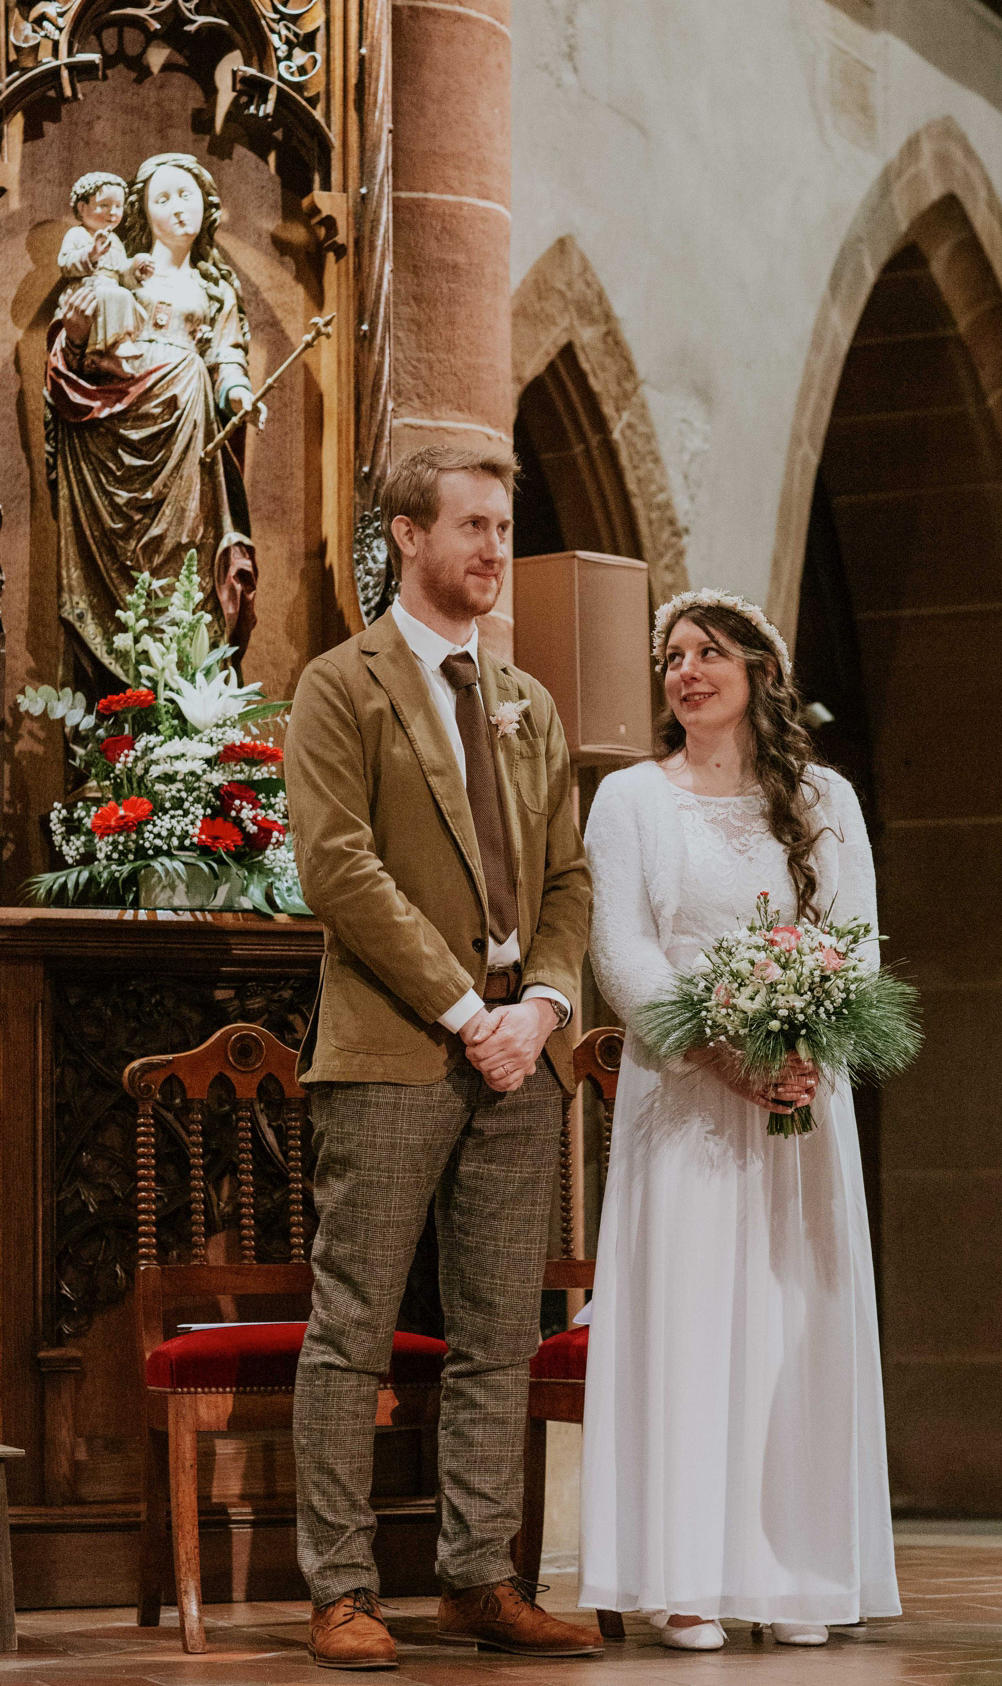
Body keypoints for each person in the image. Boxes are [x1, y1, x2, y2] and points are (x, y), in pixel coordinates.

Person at [285, 445, 601, 1669]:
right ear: (407, 534)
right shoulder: (340, 684)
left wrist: (545, 1004)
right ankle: (343, 1587)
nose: (491, 547)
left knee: (496, 1330)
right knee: (353, 1322)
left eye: (503, 526)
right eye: (470, 523)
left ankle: (479, 1578)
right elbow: (339, 868)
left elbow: (567, 876)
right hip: (398, 1051)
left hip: (522, 1058)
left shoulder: (525, 700)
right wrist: (468, 1008)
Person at [579, 587, 900, 1650]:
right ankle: (688, 1579)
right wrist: (723, 1053)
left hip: (801, 1108)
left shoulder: (826, 801)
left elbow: (853, 945)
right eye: (672, 655)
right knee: (691, 1325)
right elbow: (620, 955)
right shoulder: (630, 799)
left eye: (708, 651)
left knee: (788, 1326)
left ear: (761, 670)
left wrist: (806, 1046)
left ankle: (794, 1572)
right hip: (685, 1108)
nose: (684, 670)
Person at [46, 152, 259, 680]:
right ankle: (120, 682)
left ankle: (182, 674)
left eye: (186, 195)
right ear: (142, 211)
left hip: (188, 437)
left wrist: (236, 392)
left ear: (206, 208)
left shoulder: (216, 290)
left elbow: (226, 354)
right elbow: (76, 356)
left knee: (186, 546)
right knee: (122, 555)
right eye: (162, 198)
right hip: (115, 431)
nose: (177, 209)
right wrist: (75, 337)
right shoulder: (116, 274)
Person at [57, 170, 145, 367]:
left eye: (118, 206)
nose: (112, 212)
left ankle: (118, 347)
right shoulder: (77, 234)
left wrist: (136, 270)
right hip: (88, 290)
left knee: (125, 296)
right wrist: (92, 254)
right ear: (82, 207)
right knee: (111, 295)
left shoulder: (115, 241)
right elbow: (65, 264)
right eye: (104, 205)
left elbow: (122, 273)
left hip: (111, 289)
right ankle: (112, 348)